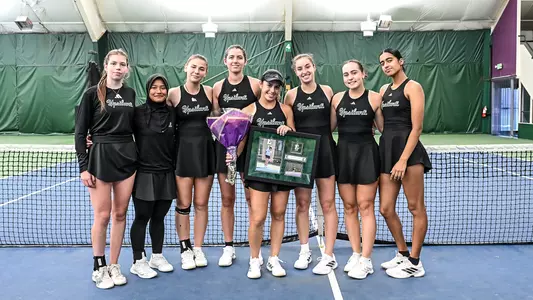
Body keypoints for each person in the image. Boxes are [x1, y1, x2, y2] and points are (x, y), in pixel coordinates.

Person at [75, 49, 136, 289]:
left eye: (123, 64)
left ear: (127, 69)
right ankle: (98, 265)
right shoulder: (92, 94)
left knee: (120, 214)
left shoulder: (130, 93)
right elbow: (80, 132)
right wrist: (83, 166)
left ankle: (114, 264)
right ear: (106, 66)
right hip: (100, 158)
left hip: (127, 158)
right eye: (114, 63)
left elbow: (135, 125)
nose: (118, 67)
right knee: (102, 215)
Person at [233, 69, 295, 279]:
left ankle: (274, 258)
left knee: (278, 214)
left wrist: (287, 129)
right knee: (258, 217)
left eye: (277, 87)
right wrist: (233, 156)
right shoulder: (248, 110)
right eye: (269, 85)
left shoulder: (286, 109)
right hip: (257, 171)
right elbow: (241, 141)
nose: (272, 90)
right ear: (261, 84)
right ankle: (254, 260)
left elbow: (295, 137)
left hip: (282, 171)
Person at [377, 48, 432, 279]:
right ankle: (402, 253)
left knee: (415, 207)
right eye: (382, 63)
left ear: (401, 62)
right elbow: (382, 124)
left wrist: (402, 159)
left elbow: (417, 128)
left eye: (389, 60)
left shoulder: (413, 87)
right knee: (386, 208)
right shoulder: (383, 90)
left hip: (409, 156)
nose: (386, 65)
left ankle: (415, 262)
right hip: (387, 152)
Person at [283, 53, 339, 275]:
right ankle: (304, 249)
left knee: (328, 204)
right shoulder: (290, 96)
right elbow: (291, 125)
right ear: (295, 72)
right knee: (302, 204)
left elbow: (332, 124)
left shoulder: (327, 92)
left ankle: (329, 255)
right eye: (299, 68)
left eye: (307, 66)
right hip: (300, 155)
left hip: (325, 152)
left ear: (314, 67)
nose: (304, 71)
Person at [330, 60, 384, 279]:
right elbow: (328, 129)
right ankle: (355, 252)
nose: (350, 77)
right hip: (343, 155)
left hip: (367, 155)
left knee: (365, 206)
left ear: (363, 74)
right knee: (349, 206)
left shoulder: (374, 98)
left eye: (354, 73)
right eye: (346, 74)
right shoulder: (337, 99)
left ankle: (366, 259)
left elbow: (383, 129)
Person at [211, 45, 260, 267]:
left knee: (252, 200)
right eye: (231, 57)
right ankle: (228, 247)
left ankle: (253, 249)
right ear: (225, 61)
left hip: (250, 151)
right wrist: (228, 146)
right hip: (226, 150)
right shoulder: (218, 87)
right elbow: (215, 118)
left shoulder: (255, 85)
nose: (235, 61)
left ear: (245, 61)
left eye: (239, 57)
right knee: (227, 199)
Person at [167, 54, 215, 270]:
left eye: (202, 68)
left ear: (206, 72)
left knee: (202, 204)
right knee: (183, 204)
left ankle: (198, 247)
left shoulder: (210, 92)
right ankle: (185, 249)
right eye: (194, 67)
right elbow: (162, 123)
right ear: (186, 67)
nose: (197, 71)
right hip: (183, 154)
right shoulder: (173, 94)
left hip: (205, 152)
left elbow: (218, 121)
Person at [128, 74, 176, 279]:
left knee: (159, 217)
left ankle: (157, 256)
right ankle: (138, 261)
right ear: (148, 90)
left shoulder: (173, 113)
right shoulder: (137, 113)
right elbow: (118, 130)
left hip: (167, 173)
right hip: (144, 174)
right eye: (154, 87)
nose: (159, 91)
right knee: (142, 217)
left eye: (162, 87)